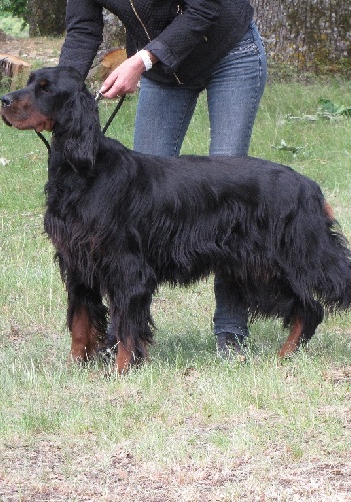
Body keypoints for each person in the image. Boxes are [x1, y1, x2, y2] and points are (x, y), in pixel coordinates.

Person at [58, 0, 268, 358]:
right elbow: (82, 30)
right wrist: (59, 94)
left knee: (227, 196)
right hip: (163, 71)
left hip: (228, 50)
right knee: (137, 206)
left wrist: (140, 61)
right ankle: (125, 335)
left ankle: (231, 330)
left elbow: (205, 10)